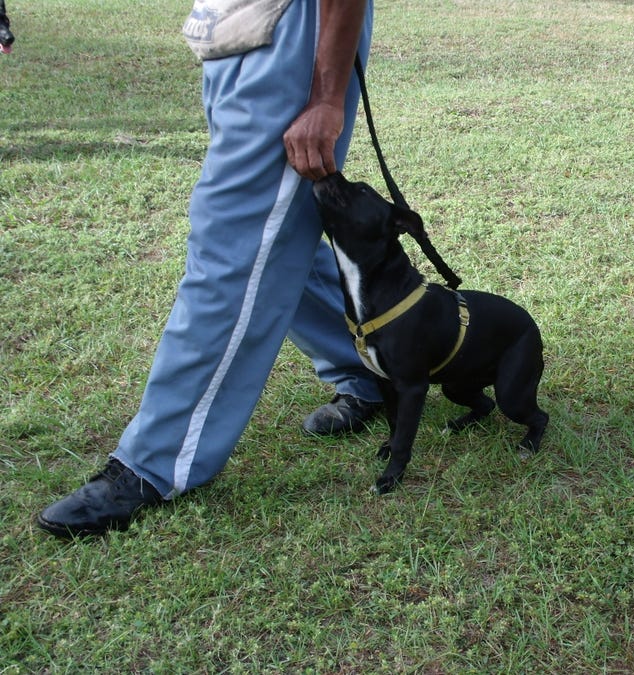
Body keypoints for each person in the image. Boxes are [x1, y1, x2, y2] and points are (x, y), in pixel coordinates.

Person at [36, 0, 381, 538]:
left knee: (233, 248)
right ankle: (369, 369)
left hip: (296, 32)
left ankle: (153, 463)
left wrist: (325, 97)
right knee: (280, 228)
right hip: (232, 27)